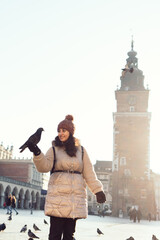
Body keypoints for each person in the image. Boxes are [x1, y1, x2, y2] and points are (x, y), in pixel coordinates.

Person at [27, 115, 106, 240]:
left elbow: (89, 173)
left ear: (70, 132)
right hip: (57, 198)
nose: (60, 133)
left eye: (64, 130)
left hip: (74, 199)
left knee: (69, 235)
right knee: (54, 235)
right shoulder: (54, 149)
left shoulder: (82, 151)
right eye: (59, 131)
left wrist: (98, 190)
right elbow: (44, 167)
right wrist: (37, 152)